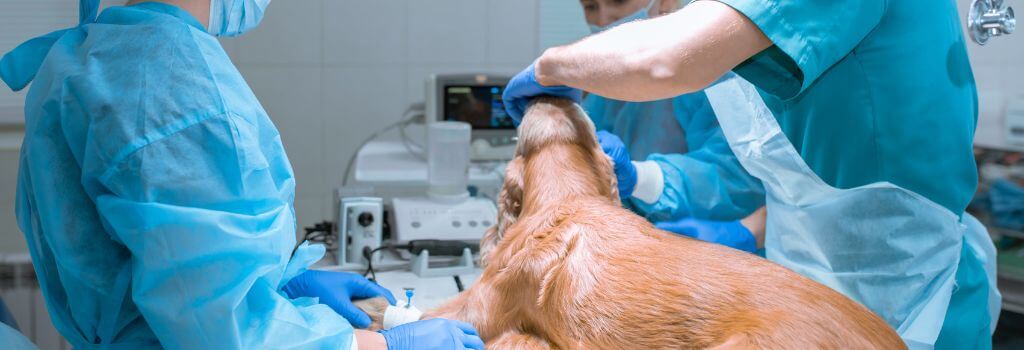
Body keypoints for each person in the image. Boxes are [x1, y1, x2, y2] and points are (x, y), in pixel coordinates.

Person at [502, 0, 1000, 349]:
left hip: (911, 298)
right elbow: (752, 166)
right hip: (797, 291)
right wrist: (651, 180)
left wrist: (551, 67)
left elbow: (661, 60)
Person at [0, 1, 483, 349]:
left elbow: (163, 259)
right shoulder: (173, 82)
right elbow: (231, 339)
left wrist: (283, 285)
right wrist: (383, 347)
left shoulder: (90, 56)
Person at [580, 0, 766, 253]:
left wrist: (641, 178)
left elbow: (740, 178)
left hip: (719, 256)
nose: (603, 19)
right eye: (590, 7)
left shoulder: (713, 67)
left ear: (665, 2)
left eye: (618, 1)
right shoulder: (604, 87)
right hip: (633, 253)